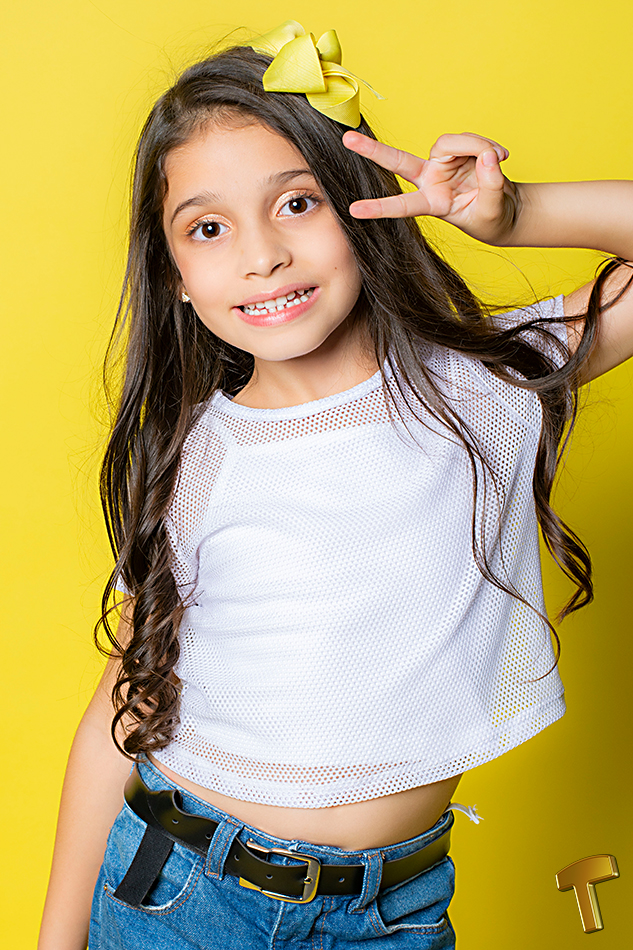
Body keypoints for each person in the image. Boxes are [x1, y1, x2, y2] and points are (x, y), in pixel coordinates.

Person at [38, 19, 633, 950]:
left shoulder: (483, 388)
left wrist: (514, 214)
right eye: (208, 228)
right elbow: (130, 697)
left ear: (363, 210)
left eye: (296, 203)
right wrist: (56, 939)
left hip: (393, 913)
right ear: (176, 276)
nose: (262, 255)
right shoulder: (200, 458)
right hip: (186, 900)